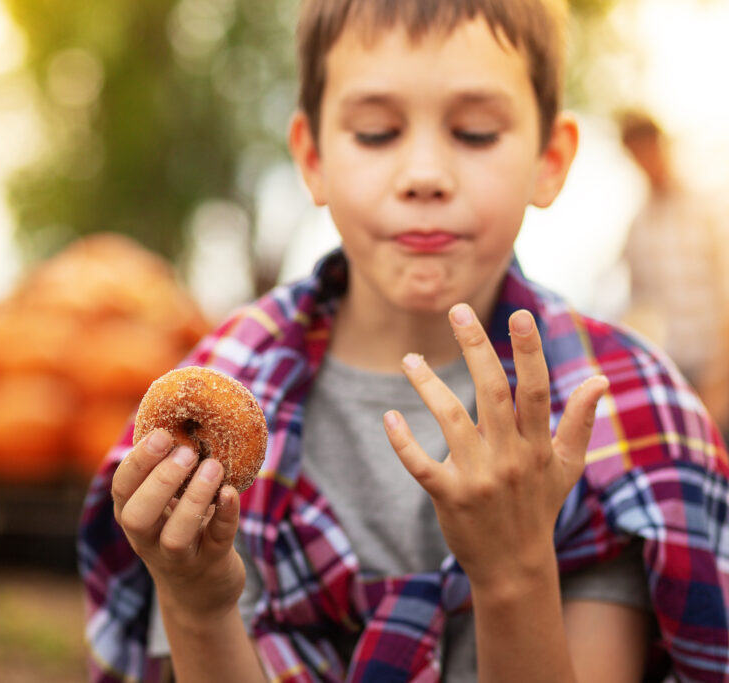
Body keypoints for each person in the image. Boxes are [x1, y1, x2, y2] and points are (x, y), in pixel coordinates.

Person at [79, 1, 729, 681]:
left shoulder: (614, 420)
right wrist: (197, 603)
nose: (424, 173)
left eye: (475, 132)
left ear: (550, 158)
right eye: (376, 131)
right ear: (312, 156)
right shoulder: (227, 393)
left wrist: (515, 571)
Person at [618, 109, 729, 438]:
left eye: (649, 150)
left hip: (720, 367)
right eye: (637, 155)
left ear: (662, 145)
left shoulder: (709, 207)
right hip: (681, 372)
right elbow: (639, 311)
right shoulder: (638, 227)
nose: (646, 162)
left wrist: (720, 378)